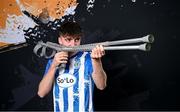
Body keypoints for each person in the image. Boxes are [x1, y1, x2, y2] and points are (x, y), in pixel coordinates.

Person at [37, 21, 107, 112]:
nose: (73, 45)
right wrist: (53, 66)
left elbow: (101, 85)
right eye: (68, 39)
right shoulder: (53, 61)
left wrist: (97, 61)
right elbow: (41, 93)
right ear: (60, 40)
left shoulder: (88, 58)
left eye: (77, 39)